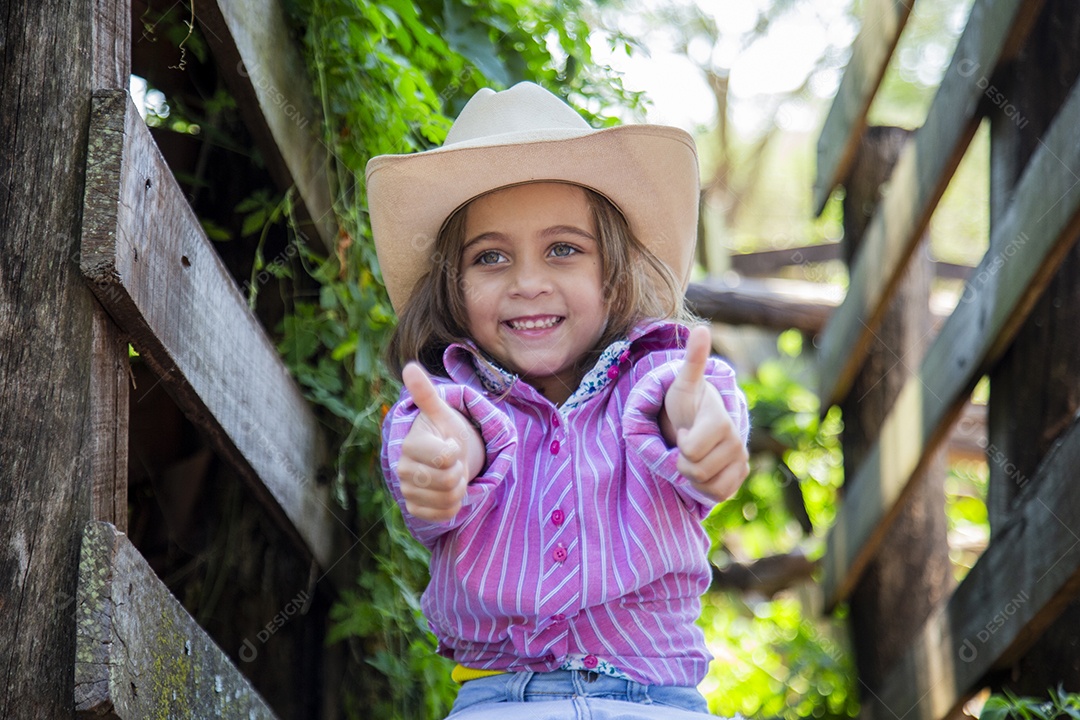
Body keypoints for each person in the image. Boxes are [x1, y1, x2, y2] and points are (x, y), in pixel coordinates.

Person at [369, 81, 751, 719]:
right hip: (499, 703)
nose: (527, 283)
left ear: (615, 270)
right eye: (490, 257)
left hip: (655, 702)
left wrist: (702, 426)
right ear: (455, 287)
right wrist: (439, 464)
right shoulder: (449, 399)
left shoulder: (657, 373)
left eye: (564, 249)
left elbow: (677, 405)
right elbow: (457, 438)